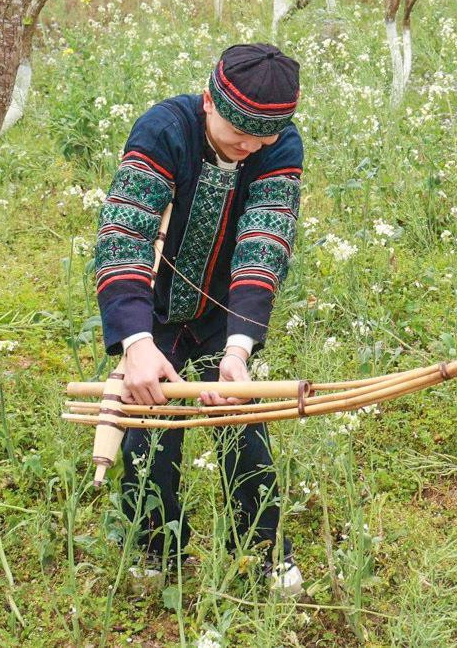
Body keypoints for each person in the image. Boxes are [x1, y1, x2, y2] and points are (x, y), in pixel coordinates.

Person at [93, 43, 304, 595]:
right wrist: (136, 342)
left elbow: (265, 240)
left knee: (242, 424)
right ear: (210, 101)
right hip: (154, 310)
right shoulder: (165, 129)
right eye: (240, 132)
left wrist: (238, 349)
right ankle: (154, 548)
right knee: (148, 430)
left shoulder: (279, 145)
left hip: (224, 312)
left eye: (263, 137)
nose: (250, 146)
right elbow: (125, 234)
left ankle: (262, 550)